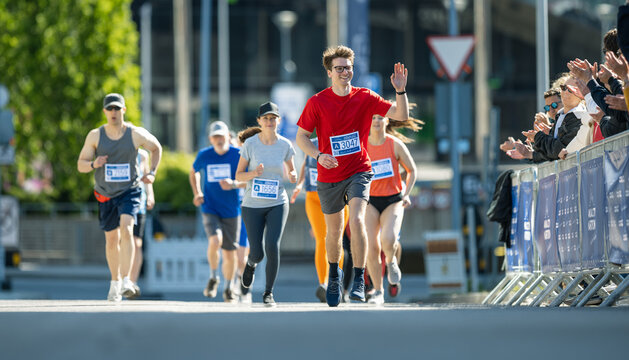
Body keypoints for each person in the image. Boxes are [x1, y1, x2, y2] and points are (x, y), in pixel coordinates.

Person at [296, 45, 409, 306]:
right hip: (329, 173)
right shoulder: (317, 102)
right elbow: (301, 137)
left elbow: (400, 115)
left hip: (359, 170)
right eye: (339, 68)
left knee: (357, 220)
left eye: (348, 67)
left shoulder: (365, 97)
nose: (345, 72)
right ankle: (334, 276)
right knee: (333, 233)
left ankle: (359, 277)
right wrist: (317, 155)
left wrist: (400, 90)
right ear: (329, 72)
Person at [77, 93, 162, 302]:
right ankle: (114, 282)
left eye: (117, 108)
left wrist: (152, 172)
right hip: (105, 193)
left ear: (123, 110)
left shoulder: (135, 134)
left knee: (127, 229)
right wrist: (93, 164)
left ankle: (126, 279)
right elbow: (80, 164)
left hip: (129, 191)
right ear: (105, 111)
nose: (113, 112)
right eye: (110, 109)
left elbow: (156, 148)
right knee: (111, 239)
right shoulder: (95, 136)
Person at [236, 102, 298, 306]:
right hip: (252, 205)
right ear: (259, 121)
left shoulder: (285, 145)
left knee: (272, 246)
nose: (270, 122)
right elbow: (238, 175)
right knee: (257, 252)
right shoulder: (251, 144)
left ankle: (268, 293)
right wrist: (254, 173)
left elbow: (291, 171)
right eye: (266, 118)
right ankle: (251, 264)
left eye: (273, 118)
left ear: (278, 121)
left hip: (277, 202)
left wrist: (293, 174)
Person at [364, 112, 419, 304]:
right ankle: (378, 291)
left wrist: (407, 194)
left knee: (388, 239)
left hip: (393, 199)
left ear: (386, 121)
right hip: (370, 201)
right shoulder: (362, 145)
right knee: (371, 246)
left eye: (380, 117)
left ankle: (391, 261)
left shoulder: (394, 144)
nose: (377, 121)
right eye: (373, 117)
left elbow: (412, 170)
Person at [190, 121, 244, 303]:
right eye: (215, 137)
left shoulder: (238, 154)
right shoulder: (205, 155)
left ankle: (229, 287)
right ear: (210, 139)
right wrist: (197, 192)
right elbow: (194, 171)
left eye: (222, 136)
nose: (219, 140)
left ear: (228, 137)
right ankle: (214, 277)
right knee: (215, 240)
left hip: (231, 209)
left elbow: (250, 178)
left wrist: (234, 184)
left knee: (230, 253)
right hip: (210, 207)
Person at [291, 138, 348, 303]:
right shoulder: (311, 143)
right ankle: (324, 284)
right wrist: (299, 184)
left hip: (336, 196)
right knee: (321, 240)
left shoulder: (340, 142)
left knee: (336, 239)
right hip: (313, 197)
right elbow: (306, 164)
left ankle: (335, 282)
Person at [127, 148, 155, 299]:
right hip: (121, 201)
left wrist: (150, 195)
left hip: (139, 203)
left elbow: (146, 177)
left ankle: (132, 282)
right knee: (123, 240)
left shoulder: (142, 155)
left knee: (137, 243)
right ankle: (121, 279)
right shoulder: (119, 150)